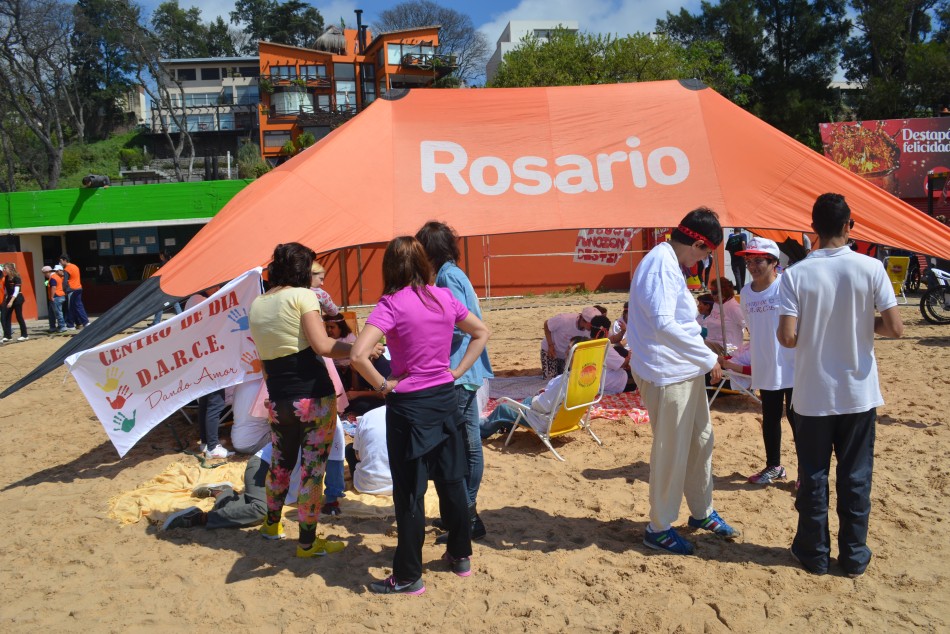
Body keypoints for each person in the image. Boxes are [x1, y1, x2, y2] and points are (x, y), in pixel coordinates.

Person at [350, 235, 489, 596]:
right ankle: (460, 555)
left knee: (410, 492)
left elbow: (358, 355)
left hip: (410, 405)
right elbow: (481, 332)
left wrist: (383, 385)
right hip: (444, 397)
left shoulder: (391, 304)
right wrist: (455, 372)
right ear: (425, 264)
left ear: (390, 267)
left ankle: (409, 575)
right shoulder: (443, 296)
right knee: (451, 481)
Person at [778, 193, 904, 577]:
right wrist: (861, 325)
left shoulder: (795, 275)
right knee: (856, 475)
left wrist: (816, 328)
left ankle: (814, 553)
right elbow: (896, 328)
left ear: (812, 227)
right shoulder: (870, 268)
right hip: (858, 391)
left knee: (813, 475)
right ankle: (853, 555)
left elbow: (787, 337)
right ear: (850, 226)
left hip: (813, 394)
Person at [626, 207, 739, 555]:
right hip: (666, 372)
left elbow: (678, 321)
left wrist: (702, 347)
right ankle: (658, 527)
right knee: (671, 451)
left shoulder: (670, 262)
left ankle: (701, 511)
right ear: (698, 243)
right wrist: (707, 358)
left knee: (701, 440)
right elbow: (663, 323)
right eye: (707, 252)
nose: (703, 260)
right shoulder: (661, 264)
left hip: (683, 368)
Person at [248, 242, 354, 558]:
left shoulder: (258, 304)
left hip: (279, 398)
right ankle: (307, 543)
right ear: (301, 269)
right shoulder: (303, 296)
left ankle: (271, 525)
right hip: (314, 396)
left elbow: (265, 362)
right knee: (312, 471)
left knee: (281, 464)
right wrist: (357, 350)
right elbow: (322, 345)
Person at [416, 221, 494, 542]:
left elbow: (460, 324)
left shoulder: (447, 276)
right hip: (468, 369)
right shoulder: (455, 273)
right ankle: (465, 513)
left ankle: (466, 514)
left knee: (461, 449)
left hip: (458, 369)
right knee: (470, 443)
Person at [728, 237, 796, 485]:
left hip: (792, 363)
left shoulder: (786, 287)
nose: (752, 266)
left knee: (797, 419)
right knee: (770, 418)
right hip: (766, 364)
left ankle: (807, 474)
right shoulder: (745, 292)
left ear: (774, 262)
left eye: (758, 260)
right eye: (749, 261)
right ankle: (774, 466)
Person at [162, 444, 271, 531]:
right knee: (262, 511)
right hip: (263, 467)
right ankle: (200, 518)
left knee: (247, 510)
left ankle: (223, 494)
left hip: (280, 478)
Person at [345, 405, 393, 495]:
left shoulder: (368, 416)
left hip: (365, 486)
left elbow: (357, 456)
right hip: (403, 485)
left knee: (349, 449)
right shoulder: (412, 414)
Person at [540, 306, 600, 378]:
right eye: (592, 325)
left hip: (568, 356)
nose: (594, 328)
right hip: (551, 351)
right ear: (584, 320)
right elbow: (547, 325)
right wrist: (550, 345)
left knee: (568, 378)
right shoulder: (563, 319)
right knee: (550, 379)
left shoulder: (593, 330)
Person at [703, 277, 745, 355]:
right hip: (711, 343)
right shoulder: (716, 304)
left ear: (723, 292)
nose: (712, 295)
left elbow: (748, 325)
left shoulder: (734, 308)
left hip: (727, 349)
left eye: (714, 292)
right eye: (711, 292)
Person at [589, 316, 630, 394]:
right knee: (633, 374)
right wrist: (629, 356)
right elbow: (622, 364)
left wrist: (623, 331)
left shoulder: (586, 341)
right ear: (606, 332)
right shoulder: (603, 347)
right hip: (603, 382)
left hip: (589, 379)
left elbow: (613, 339)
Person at [324, 314, 356, 387]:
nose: (329, 330)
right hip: (334, 370)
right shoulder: (326, 339)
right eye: (327, 327)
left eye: (332, 327)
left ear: (341, 327)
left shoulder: (349, 338)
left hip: (350, 369)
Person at [151, 250, 182, 326]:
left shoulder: (164, 264)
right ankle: (182, 317)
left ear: (162, 256)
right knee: (175, 302)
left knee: (160, 304)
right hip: (171, 286)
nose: (160, 257)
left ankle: (156, 322)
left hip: (165, 286)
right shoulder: (171, 262)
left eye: (160, 255)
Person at [59, 254, 89, 330]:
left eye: (61, 261)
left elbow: (65, 282)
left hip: (71, 289)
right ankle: (85, 322)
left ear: (64, 260)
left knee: (71, 308)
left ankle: (70, 325)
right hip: (78, 288)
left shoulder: (67, 269)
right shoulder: (75, 266)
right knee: (78, 306)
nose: (60, 263)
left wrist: (63, 290)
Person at [2, 263, 28, 342]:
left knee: (19, 316)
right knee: (5, 316)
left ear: (10, 269)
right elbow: (6, 290)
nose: (4, 270)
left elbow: (16, 291)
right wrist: (6, 299)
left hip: (17, 299)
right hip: (9, 298)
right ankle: (7, 335)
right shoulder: (6, 278)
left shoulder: (17, 278)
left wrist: (11, 301)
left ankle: (24, 335)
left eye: (5, 268)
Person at [42, 266, 66, 333]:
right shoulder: (56, 276)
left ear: (48, 272)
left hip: (56, 297)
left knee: (58, 312)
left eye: (44, 273)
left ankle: (62, 326)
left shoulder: (53, 278)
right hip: (59, 296)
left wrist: (52, 297)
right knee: (52, 313)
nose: (44, 275)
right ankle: (52, 327)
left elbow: (53, 287)